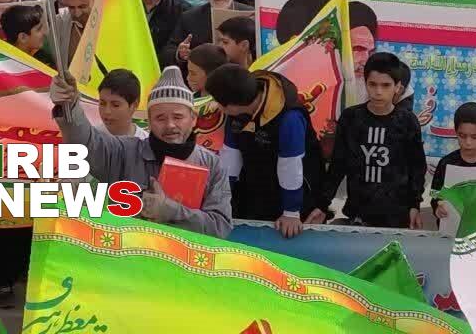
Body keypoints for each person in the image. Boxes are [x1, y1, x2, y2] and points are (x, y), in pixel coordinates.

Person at [50, 67, 233, 237]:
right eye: (160, 118)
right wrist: (69, 105)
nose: (170, 125)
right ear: (149, 122)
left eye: (178, 117)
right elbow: (86, 144)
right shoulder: (125, 152)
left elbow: (221, 226)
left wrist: (171, 211)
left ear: (193, 119)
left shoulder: (212, 165)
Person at [307, 53, 425, 228]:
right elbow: (337, 166)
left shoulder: (407, 121)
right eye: (373, 84)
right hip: (357, 215)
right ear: (365, 83)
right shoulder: (351, 118)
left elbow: (417, 167)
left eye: (386, 85)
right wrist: (322, 204)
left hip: (397, 217)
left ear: (398, 87)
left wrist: (415, 205)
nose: (378, 92)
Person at [208, 63, 324, 237]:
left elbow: (290, 167)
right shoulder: (236, 113)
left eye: (217, 101)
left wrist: (291, 212)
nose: (216, 106)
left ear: (231, 104)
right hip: (254, 188)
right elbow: (230, 158)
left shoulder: (289, 118)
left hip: (295, 191)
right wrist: (218, 200)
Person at [429, 102, 476, 224]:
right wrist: (437, 208)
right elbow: (434, 195)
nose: (468, 142)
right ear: (456, 132)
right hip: (451, 229)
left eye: (474, 137)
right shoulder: (446, 163)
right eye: (462, 136)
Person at [98, 68, 146, 139]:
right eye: (102, 103)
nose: (107, 111)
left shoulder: (145, 142)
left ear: (134, 105)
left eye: (115, 105)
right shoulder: (89, 138)